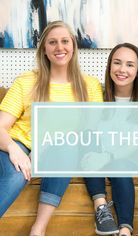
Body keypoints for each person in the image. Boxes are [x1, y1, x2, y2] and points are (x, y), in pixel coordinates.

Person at [0, 20, 103, 236]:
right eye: (52, 42)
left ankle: (38, 230)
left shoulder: (90, 86)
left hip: (60, 148)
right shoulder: (26, 82)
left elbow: (90, 133)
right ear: (44, 50)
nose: (59, 47)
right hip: (20, 144)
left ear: (73, 47)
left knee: (65, 148)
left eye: (65, 41)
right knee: (18, 176)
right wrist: (13, 148)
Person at [84, 43, 138, 236]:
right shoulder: (98, 95)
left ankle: (124, 230)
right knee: (87, 145)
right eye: (117, 63)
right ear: (109, 67)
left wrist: (108, 156)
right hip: (98, 157)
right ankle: (101, 208)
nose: (122, 69)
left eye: (130, 65)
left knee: (119, 164)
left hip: (125, 161)